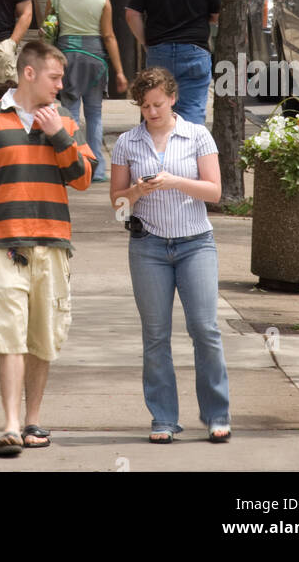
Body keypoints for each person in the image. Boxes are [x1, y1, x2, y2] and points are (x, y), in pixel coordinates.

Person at [0, 39, 94, 457]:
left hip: (52, 244)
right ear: (29, 73)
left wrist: (57, 136)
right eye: (55, 77)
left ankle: (32, 419)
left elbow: (83, 177)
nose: (61, 85)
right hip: (1, 243)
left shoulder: (65, 121)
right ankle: (11, 424)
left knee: (42, 337)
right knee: (9, 333)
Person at [110, 67, 231, 444]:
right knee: (156, 335)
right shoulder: (128, 142)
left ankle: (217, 414)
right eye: (145, 106)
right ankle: (163, 417)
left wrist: (174, 181)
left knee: (205, 329)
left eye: (158, 104)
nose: (152, 112)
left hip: (195, 243)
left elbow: (214, 192)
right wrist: (137, 192)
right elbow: (116, 206)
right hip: (148, 246)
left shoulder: (197, 135)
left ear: (173, 99)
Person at [44, 0, 128, 182]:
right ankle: (97, 170)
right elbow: (109, 36)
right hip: (95, 59)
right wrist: (120, 71)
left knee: (69, 114)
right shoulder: (102, 0)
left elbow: (49, 25)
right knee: (95, 115)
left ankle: (71, 167)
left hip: (66, 57)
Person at [124, 0, 221, 126]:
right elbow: (217, 15)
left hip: (159, 50)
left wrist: (146, 42)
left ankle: (160, 152)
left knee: (157, 109)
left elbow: (132, 14)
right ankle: (190, 153)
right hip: (195, 51)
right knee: (193, 110)